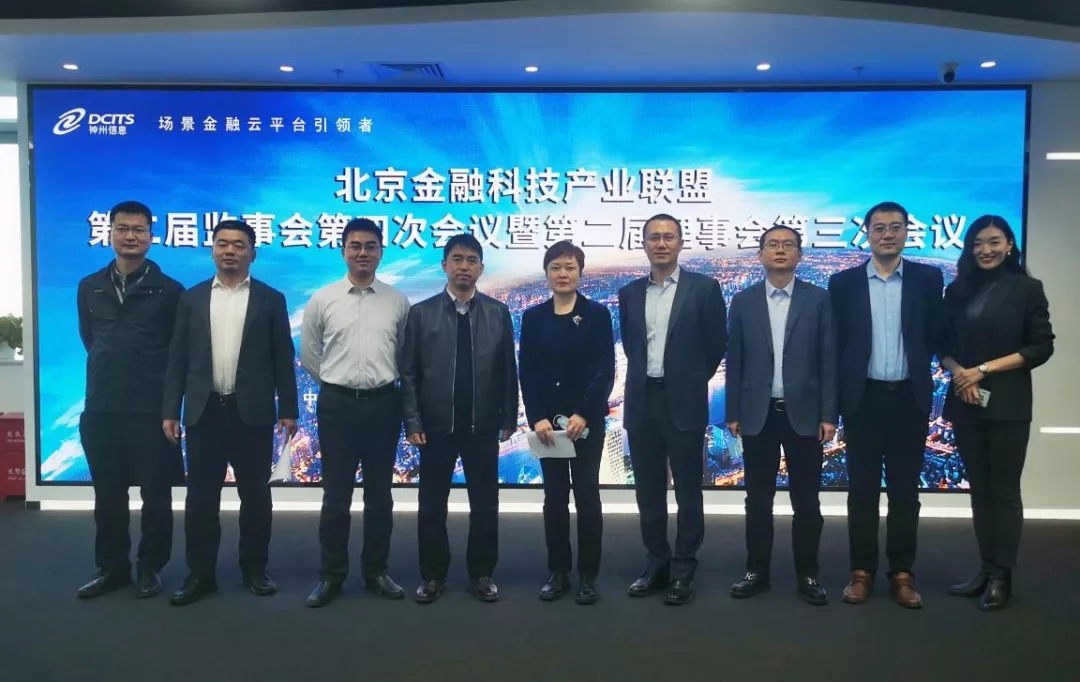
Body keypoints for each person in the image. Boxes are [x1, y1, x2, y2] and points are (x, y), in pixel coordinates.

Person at [162, 219, 298, 606]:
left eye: (239, 244)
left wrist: (289, 409)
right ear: (212, 250)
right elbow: (178, 357)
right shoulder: (191, 298)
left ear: (253, 253)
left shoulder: (271, 299)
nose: (230, 250)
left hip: (251, 413)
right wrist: (171, 408)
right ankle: (200, 575)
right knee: (200, 500)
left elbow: (282, 357)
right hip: (205, 411)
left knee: (255, 498)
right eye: (222, 243)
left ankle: (254, 570)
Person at [828, 201, 944, 609]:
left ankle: (902, 573)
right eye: (879, 228)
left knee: (905, 492)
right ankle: (861, 571)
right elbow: (837, 346)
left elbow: (934, 335)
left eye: (896, 227)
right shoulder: (843, 284)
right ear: (867, 234)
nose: (888, 234)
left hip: (909, 399)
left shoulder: (928, 279)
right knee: (861, 491)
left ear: (907, 232)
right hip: (863, 400)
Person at [939, 215, 1054, 611]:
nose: (985, 250)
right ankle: (985, 569)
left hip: (1007, 402)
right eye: (977, 243)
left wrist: (983, 370)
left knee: (1004, 491)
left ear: (1009, 245)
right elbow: (942, 345)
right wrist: (961, 373)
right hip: (965, 399)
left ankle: (1003, 575)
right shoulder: (957, 290)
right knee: (979, 490)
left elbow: (1040, 347)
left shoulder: (1026, 289)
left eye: (993, 242)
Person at [75, 200, 186, 600]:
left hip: (150, 410)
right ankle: (112, 567)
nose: (130, 236)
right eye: (122, 228)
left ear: (151, 237)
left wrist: (170, 408)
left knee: (155, 496)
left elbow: (177, 354)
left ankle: (151, 567)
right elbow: (91, 339)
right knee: (108, 496)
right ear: (109, 234)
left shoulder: (170, 290)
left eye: (139, 230)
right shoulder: (90, 286)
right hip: (102, 407)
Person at [401, 233, 519, 604]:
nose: (464, 266)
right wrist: (413, 422)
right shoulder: (421, 314)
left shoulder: (497, 312)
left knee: (485, 505)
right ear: (444, 265)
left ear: (481, 268)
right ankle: (433, 575)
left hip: (482, 424)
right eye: (457, 259)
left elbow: (508, 369)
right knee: (431, 506)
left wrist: (509, 417)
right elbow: (409, 373)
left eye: (471, 260)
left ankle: (481, 573)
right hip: (436, 426)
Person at [300, 218, 411, 608]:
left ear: (381, 252)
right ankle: (331, 575)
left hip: (384, 404)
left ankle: (376, 570)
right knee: (336, 496)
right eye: (355, 246)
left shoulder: (397, 301)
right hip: (338, 405)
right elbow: (310, 354)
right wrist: (337, 382)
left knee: (380, 496)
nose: (362, 252)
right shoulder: (323, 299)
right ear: (343, 251)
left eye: (370, 246)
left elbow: (404, 355)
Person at [617, 213, 727, 605]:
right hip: (642, 402)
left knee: (688, 492)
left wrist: (690, 379)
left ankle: (683, 568)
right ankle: (656, 563)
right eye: (654, 237)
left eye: (668, 237)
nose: (661, 243)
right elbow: (631, 345)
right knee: (648, 492)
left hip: (684, 402)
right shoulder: (629, 293)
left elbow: (716, 344)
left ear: (680, 243)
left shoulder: (704, 288)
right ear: (644, 243)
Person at [725, 225, 837, 606]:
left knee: (807, 502)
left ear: (800, 255)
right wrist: (733, 411)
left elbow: (828, 360)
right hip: (758, 415)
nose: (780, 250)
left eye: (788, 245)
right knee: (758, 500)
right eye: (772, 244)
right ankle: (756, 571)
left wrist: (828, 414)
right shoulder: (743, 301)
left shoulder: (818, 299)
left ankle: (808, 573)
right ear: (760, 254)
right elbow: (735, 359)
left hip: (803, 414)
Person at [519, 240, 615, 605]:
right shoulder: (533, 318)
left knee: (587, 496)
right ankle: (558, 571)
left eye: (570, 267)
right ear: (546, 273)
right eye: (556, 267)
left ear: (580, 272)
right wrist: (537, 417)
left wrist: (585, 412)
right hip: (548, 428)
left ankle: (588, 575)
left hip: (585, 424)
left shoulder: (597, 314)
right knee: (554, 497)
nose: (563, 273)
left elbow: (606, 369)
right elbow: (527, 371)